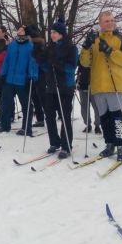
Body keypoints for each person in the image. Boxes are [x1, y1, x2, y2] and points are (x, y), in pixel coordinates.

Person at [80, 11, 122, 162]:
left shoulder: (121, 39)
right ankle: (109, 144)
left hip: (115, 85)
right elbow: (85, 63)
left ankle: (121, 146)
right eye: (106, 21)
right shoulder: (94, 40)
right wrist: (85, 46)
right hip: (98, 86)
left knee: (117, 118)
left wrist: (110, 51)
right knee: (105, 118)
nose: (110, 23)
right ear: (100, 23)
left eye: (112, 20)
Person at [34, 18, 77, 159]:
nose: (52, 34)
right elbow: (47, 67)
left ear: (62, 34)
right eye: (51, 32)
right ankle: (54, 142)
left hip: (65, 86)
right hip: (51, 86)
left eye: (55, 32)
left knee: (65, 116)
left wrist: (56, 64)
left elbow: (71, 68)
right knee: (50, 116)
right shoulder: (50, 47)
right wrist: (40, 60)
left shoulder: (71, 48)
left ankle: (66, 145)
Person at [0, 25, 38, 136]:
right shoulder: (13, 44)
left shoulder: (30, 46)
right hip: (9, 79)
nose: (19, 30)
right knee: (5, 102)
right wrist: (3, 73)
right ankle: (5, 125)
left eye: (22, 30)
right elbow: (7, 60)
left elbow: (33, 63)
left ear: (26, 32)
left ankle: (26, 128)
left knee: (26, 104)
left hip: (22, 80)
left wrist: (32, 76)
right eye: (19, 29)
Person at [25, 24, 45, 128]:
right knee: (35, 97)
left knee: (40, 97)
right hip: (32, 74)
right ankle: (40, 119)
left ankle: (46, 117)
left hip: (39, 74)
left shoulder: (37, 45)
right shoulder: (32, 43)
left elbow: (39, 60)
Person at [76, 63, 100, 134]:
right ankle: (88, 124)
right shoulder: (82, 56)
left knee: (96, 107)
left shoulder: (95, 55)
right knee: (84, 108)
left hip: (94, 87)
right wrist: (77, 81)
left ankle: (97, 125)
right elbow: (79, 69)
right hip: (82, 86)